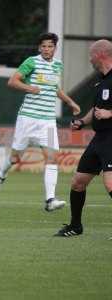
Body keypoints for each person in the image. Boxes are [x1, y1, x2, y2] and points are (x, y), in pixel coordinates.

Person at [0, 32, 81, 212]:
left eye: (50, 46)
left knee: (52, 158)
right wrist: (29, 87)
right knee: (15, 158)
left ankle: (50, 200)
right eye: (44, 46)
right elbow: (12, 81)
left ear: (55, 48)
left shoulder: (58, 65)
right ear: (39, 48)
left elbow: (54, 88)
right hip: (28, 118)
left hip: (47, 120)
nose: (47, 49)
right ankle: (1, 176)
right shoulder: (31, 62)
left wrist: (70, 102)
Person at [55, 39, 112, 237]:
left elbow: (105, 112)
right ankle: (75, 226)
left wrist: (110, 114)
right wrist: (81, 122)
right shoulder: (101, 79)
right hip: (99, 138)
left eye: (91, 55)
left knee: (110, 184)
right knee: (78, 182)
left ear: (100, 55)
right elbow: (96, 110)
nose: (89, 59)